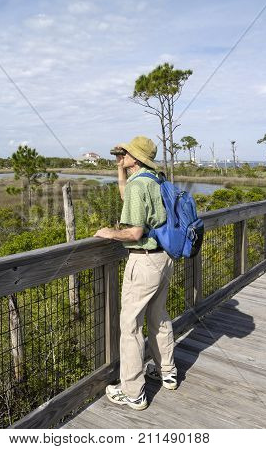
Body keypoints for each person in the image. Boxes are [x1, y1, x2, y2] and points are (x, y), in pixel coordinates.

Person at [94, 135, 177, 411]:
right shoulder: (155, 179)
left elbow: (135, 232)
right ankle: (167, 373)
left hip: (143, 262)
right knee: (158, 316)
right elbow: (128, 197)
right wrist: (120, 168)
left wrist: (109, 233)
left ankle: (133, 392)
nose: (122, 154)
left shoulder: (138, 185)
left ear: (137, 157)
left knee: (129, 326)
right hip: (164, 258)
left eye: (126, 153)